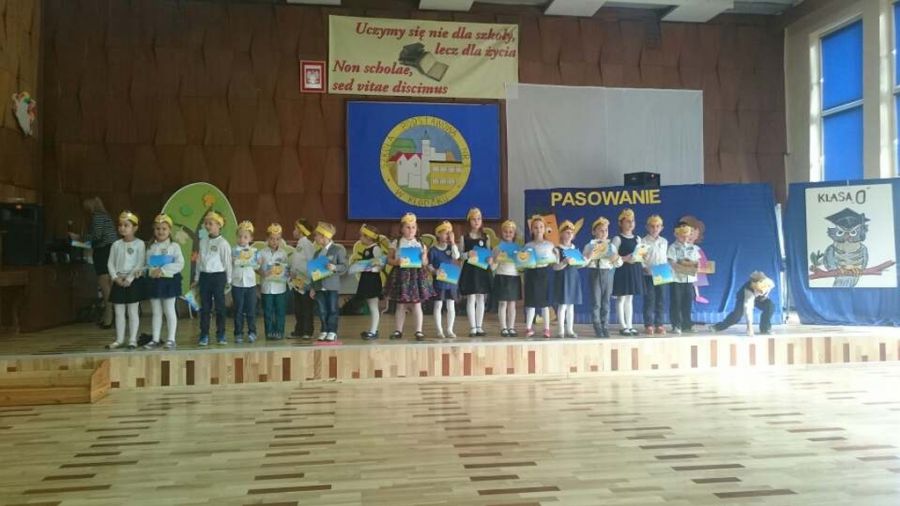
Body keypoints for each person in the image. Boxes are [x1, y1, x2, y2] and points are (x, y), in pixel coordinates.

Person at [384, 212, 434, 341]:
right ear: (401, 229)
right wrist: (396, 261)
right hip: (401, 275)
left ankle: (418, 331)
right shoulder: (396, 243)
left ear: (416, 229)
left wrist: (424, 257)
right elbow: (389, 259)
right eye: (407, 227)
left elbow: (425, 263)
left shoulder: (420, 244)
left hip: (416, 276)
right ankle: (398, 330)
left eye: (413, 227)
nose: (411, 230)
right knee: (401, 304)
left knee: (416, 304)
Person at [70, 197, 118, 328]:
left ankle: (108, 316)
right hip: (111, 250)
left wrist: (78, 238)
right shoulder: (106, 216)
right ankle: (111, 315)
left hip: (103, 251)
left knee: (104, 284)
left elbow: (96, 237)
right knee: (110, 284)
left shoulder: (98, 216)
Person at [105, 211, 146, 350]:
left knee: (132, 311)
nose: (122, 228)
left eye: (126, 225)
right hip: (118, 280)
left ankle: (132, 339)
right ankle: (119, 339)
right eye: (120, 225)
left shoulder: (140, 244)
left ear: (135, 228)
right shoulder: (116, 244)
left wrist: (129, 278)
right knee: (118, 312)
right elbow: (110, 263)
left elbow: (139, 263)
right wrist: (115, 277)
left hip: (132, 281)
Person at [143, 213, 184, 350]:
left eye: (164, 229)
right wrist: (151, 271)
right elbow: (147, 264)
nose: (160, 231)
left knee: (169, 309)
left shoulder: (174, 246)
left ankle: (171, 339)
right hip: (154, 282)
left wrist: (163, 270)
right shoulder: (151, 247)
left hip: (169, 282)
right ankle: (155, 339)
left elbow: (180, 264)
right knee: (156, 311)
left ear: (169, 230)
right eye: (158, 229)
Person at [193, 210, 232, 346]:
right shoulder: (203, 241)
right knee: (205, 307)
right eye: (206, 223)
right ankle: (204, 334)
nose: (208, 226)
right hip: (205, 277)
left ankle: (221, 334)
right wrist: (197, 278)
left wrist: (229, 280)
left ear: (219, 225)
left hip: (218, 277)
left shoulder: (223, 243)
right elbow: (199, 261)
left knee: (220, 307)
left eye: (211, 223)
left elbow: (227, 263)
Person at [309, 222, 347, 342]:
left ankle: (332, 331)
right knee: (321, 310)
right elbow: (313, 272)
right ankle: (324, 330)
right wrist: (312, 287)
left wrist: (334, 267)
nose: (315, 238)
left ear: (324, 236)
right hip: (319, 286)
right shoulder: (317, 253)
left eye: (316, 235)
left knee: (332, 309)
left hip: (332, 286)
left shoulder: (337, 250)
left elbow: (344, 267)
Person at [583, 217, 621, 338]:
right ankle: (597, 326)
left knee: (606, 302)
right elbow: (582, 263)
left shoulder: (611, 246)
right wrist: (589, 256)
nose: (604, 233)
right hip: (594, 272)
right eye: (601, 230)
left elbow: (619, 263)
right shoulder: (589, 245)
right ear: (594, 232)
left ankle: (605, 326)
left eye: (606, 230)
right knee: (596, 302)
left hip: (607, 273)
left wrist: (616, 258)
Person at [459, 207, 493, 337]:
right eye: (474, 219)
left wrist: (490, 259)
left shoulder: (486, 237)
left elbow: (489, 254)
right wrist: (468, 254)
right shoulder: (464, 237)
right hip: (470, 271)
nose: (476, 221)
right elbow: (460, 256)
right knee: (471, 298)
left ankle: (479, 326)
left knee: (481, 298)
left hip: (482, 270)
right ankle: (472, 327)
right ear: (469, 221)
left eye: (479, 219)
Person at [524, 215, 557, 338]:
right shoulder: (528, 246)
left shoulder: (550, 245)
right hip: (531, 274)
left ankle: (546, 328)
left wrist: (556, 255)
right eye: (536, 227)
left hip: (544, 274)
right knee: (531, 302)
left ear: (545, 229)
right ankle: (528, 328)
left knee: (545, 303)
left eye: (541, 227)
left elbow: (554, 260)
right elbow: (523, 260)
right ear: (532, 230)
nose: (538, 230)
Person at [713, 271, 775, 336]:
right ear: (753, 285)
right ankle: (717, 327)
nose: (760, 291)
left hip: (758, 298)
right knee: (736, 317)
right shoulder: (748, 289)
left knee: (770, 305)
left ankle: (765, 329)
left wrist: (765, 295)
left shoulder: (769, 282)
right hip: (743, 298)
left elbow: (771, 287)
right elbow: (748, 309)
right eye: (758, 289)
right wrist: (749, 327)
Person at [611, 208, 643, 336]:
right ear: (621, 223)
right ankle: (622, 325)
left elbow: (640, 253)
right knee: (621, 298)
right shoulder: (617, 239)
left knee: (630, 298)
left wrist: (641, 256)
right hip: (622, 271)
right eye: (628, 221)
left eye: (632, 221)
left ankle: (630, 325)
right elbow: (612, 256)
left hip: (634, 270)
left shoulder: (637, 238)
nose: (631, 224)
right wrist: (625, 258)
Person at [428, 221, 460, 339]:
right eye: (445, 233)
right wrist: (435, 271)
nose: (448, 236)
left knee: (451, 305)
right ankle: (439, 330)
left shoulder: (451, 247)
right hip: (439, 282)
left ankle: (449, 329)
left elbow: (456, 256)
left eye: (449, 233)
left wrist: (453, 243)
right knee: (438, 305)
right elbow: (429, 265)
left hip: (450, 281)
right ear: (438, 234)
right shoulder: (433, 250)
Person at [667, 222, 701, 335]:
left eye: (687, 235)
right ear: (677, 235)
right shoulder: (673, 247)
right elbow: (672, 262)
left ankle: (687, 324)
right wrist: (685, 265)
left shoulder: (693, 247)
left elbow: (697, 262)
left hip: (689, 279)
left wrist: (691, 265)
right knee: (676, 302)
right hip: (676, 279)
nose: (685, 238)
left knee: (688, 302)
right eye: (682, 235)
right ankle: (676, 325)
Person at [353, 224, 386, 340]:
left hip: (372, 280)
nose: (360, 238)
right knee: (371, 305)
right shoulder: (367, 249)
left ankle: (373, 331)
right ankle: (373, 329)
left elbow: (381, 265)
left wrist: (372, 269)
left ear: (369, 238)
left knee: (373, 306)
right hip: (367, 279)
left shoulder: (375, 249)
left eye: (362, 236)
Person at [258, 223, 290, 340]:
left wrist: (287, 273)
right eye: (272, 239)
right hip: (266, 287)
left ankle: (279, 332)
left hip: (280, 288)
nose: (274, 241)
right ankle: (269, 332)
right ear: (267, 239)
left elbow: (286, 269)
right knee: (268, 311)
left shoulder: (283, 253)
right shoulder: (261, 253)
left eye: (277, 239)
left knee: (280, 311)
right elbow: (256, 267)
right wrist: (262, 272)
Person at [554, 220, 583, 338]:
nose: (569, 234)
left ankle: (570, 330)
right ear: (561, 234)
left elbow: (579, 265)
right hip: (563, 278)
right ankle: (561, 330)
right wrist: (564, 262)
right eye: (567, 232)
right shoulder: (557, 249)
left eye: (571, 232)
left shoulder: (574, 249)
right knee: (563, 305)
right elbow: (555, 267)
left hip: (573, 278)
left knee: (571, 305)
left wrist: (583, 261)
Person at [492, 220, 522, 337]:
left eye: (510, 232)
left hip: (514, 277)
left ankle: (511, 327)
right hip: (501, 276)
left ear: (514, 234)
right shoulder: (497, 248)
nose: (508, 234)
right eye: (505, 231)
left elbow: (521, 264)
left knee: (512, 304)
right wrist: (495, 260)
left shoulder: (518, 248)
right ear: (501, 233)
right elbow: (493, 267)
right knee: (502, 303)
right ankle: (503, 327)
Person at [232, 221, 259, 344]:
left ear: (251, 238)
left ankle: (252, 332)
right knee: (238, 310)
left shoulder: (254, 251)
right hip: (237, 284)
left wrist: (259, 262)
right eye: (240, 236)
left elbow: (257, 266)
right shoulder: (233, 251)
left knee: (251, 309)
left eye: (245, 237)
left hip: (250, 284)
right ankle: (238, 333)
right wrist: (233, 260)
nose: (242, 239)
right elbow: (229, 265)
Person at [641, 215, 668, 335]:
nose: (655, 229)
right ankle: (649, 324)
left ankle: (660, 324)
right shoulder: (643, 241)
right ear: (647, 227)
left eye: (657, 226)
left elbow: (665, 257)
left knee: (661, 300)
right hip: (648, 273)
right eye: (652, 226)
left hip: (662, 272)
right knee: (649, 299)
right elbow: (640, 257)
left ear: (661, 228)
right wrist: (644, 267)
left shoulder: (664, 241)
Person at [289, 220, 316, 339]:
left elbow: (311, 262)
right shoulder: (300, 244)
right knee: (298, 308)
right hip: (297, 281)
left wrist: (310, 281)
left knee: (306, 307)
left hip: (305, 282)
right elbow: (297, 262)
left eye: (295, 229)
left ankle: (307, 331)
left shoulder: (307, 244)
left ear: (301, 231)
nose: (293, 231)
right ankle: (299, 330)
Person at [679, 215, 710, 304]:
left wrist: (701, 266)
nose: (689, 235)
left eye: (692, 232)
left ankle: (697, 295)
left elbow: (703, 261)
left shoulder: (696, 249)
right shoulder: (678, 248)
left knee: (694, 283)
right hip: (682, 274)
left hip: (693, 271)